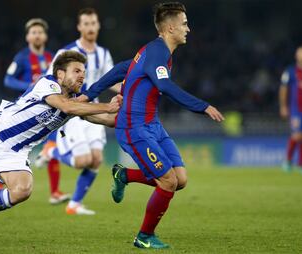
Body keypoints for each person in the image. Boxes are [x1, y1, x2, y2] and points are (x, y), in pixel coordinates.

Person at [77, 2, 224, 249]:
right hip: (135, 129)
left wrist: (89, 93)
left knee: (181, 179)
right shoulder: (156, 52)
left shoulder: (154, 51)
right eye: (185, 24)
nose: (188, 29)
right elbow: (165, 87)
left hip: (152, 125)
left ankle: (123, 174)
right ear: (170, 28)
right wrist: (203, 106)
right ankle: (143, 237)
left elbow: (121, 70)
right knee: (168, 181)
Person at [0, 51, 121, 230]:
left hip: (14, 153)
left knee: (22, 191)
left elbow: (109, 120)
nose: (82, 76)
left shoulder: (76, 103)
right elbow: (67, 107)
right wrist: (107, 105)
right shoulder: (47, 83)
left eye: (84, 72)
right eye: (77, 71)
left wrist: (125, 104)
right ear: (60, 73)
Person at [35, 8, 118, 214]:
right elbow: (50, 80)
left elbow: (112, 82)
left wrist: (134, 88)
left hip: (94, 110)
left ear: (98, 26)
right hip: (72, 113)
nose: (90, 27)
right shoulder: (66, 54)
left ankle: (74, 204)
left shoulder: (103, 54)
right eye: (86, 24)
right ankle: (51, 151)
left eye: (93, 23)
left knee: (97, 159)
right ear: (79, 27)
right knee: (83, 161)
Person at [0, 18, 70, 204]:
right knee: (15, 147)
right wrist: (30, 85)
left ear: (45, 36)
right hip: (26, 111)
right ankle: (1, 182)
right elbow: (8, 80)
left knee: (53, 145)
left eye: (40, 32)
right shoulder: (21, 57)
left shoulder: (52, 58)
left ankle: (54, 191)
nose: (37, 35)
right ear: (28, 36)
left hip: (49, 109)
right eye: (34, 32)